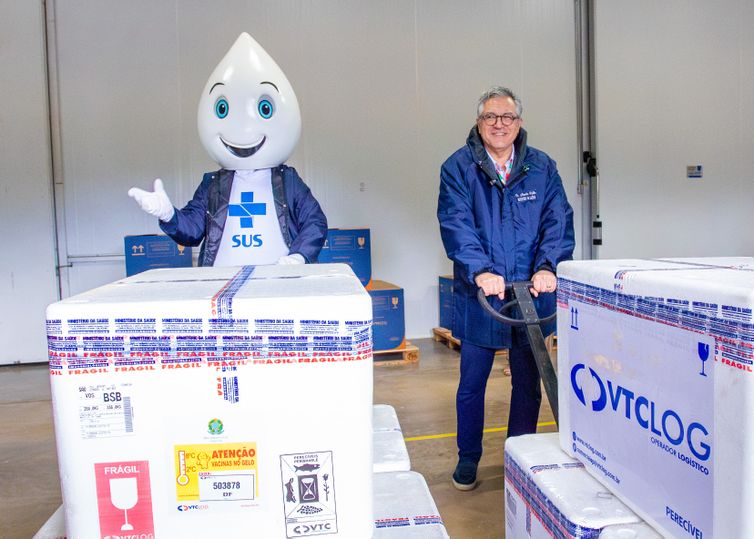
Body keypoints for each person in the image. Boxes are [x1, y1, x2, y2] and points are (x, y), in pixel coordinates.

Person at [437, 86, 575, 491]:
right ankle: (468, 458)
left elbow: (558, 221)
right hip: (482, 296)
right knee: (472, 383)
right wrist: (479, 270)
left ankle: (520, 455)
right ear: (478, 122)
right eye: (490, 118)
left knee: (528, 383)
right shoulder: (457, 168)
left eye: (507, 118)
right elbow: (455, 222)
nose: (499, 125)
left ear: (520, 122)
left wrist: (548, 266)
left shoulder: (542, 167)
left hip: (531, 294)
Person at [128, 33, 327, 266]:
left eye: (264, 108)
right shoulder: (212, 185)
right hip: (222, 287)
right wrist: (169, 215)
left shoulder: (288, 182)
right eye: (222, 109)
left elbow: (315, 222)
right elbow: (192, 231)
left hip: (276, 286)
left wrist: (299, 256)